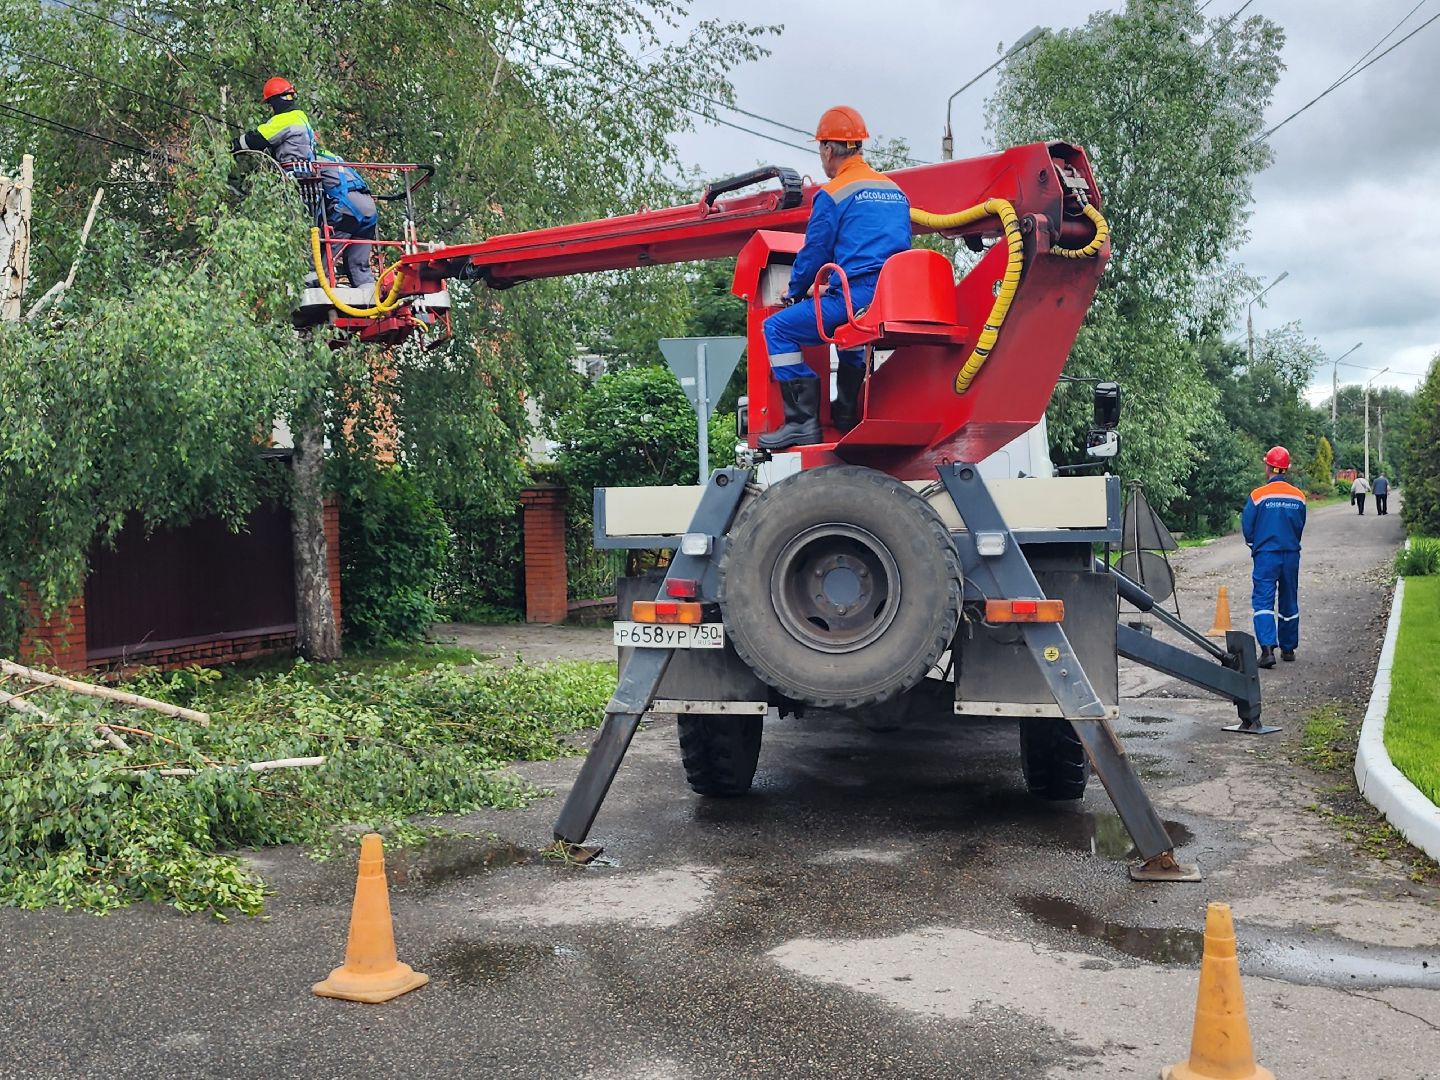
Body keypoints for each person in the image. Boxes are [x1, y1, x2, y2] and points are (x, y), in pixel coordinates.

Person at [757, 106, 912, 450]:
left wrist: (795, 291)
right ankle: (846, 413)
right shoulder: (895, 191)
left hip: (854, 295)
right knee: (854, 333)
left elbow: (814, 251)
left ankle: (801, 422)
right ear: (858, 146)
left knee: (777, 329)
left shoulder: (834, 193)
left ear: (828, 149)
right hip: (892, 298)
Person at [1242, 445, 1307, 668]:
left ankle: (1267, 649)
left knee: (1263, 601)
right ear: (1286, 469)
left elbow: (1247, 526)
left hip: (1266, 555)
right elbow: (1299, 525)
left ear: (1268, 466)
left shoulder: (1258, 496)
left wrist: (1255, 546)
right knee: (1289, 598)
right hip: (1290, 554)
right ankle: (1288, 649)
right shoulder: (1299, 497)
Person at [316, 151, 379, 287]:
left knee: (322, 258)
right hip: (369, 209)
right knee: (359, 265)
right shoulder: (336, 160)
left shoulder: (312, 161)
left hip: (348, 207)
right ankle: (370, 297)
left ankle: (317, 286)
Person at [232, 77, 316, 169]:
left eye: (269, 104)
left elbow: (257, 139)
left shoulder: (285, 119)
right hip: (305, 168)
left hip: (290, 170)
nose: (270, 109)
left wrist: (233, 145)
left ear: (275, 101)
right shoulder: (300, 116)